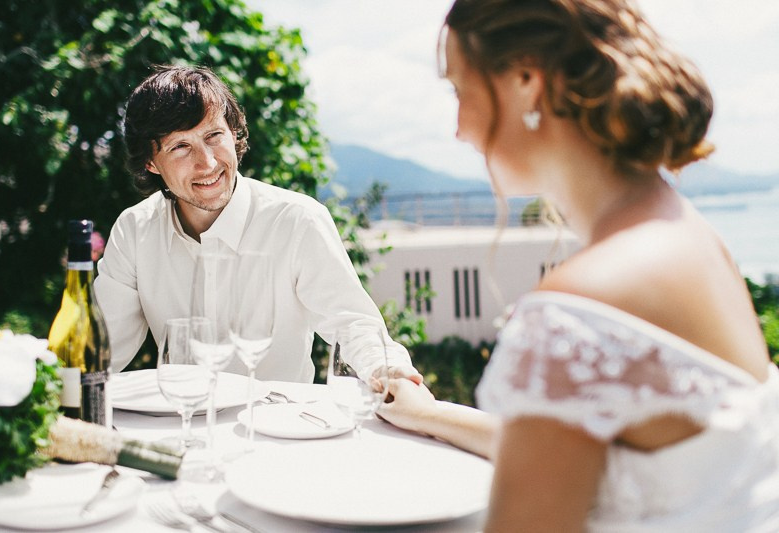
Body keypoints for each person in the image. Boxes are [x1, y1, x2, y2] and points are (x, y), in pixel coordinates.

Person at [378, 0, 779, 530]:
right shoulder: (689, 234)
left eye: (459, 91)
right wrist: (430, 415)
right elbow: (613, 454)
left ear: (526, 80)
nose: (457, 130)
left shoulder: (579, 305)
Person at [95, 65, 421, 384]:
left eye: (214, 136)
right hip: (184, 425)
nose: (207, 162)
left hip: (277, 428)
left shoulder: (297, 220)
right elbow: (99, 351)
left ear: (233, 133)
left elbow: (354, 325)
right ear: (151, 162)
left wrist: (386, 370)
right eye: (181, 147)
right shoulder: (135, 230)